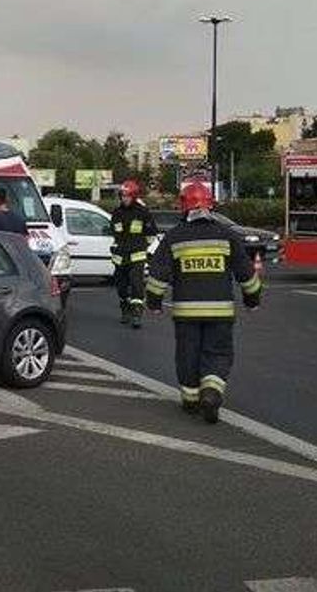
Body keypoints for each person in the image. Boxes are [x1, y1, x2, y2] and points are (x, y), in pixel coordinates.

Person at [145, 181, 263, 424]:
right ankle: (211, 392)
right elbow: (247, 274)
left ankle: (190, 400)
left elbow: (158, 274)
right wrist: (252, 300)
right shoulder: (227, 235)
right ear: (210, 205)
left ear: (184, 206)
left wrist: (154, 303)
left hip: (186, 313)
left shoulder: (174, 236)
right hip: (220, 312)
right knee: (218, 353)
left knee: (187, 354)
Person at [110, 179, 159, 329]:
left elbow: (151, 233)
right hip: (120, 256)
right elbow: (114, 232)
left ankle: (137, 313)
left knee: (137, 284)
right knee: (122, 287)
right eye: (122, 196)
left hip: (137, 255)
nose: (124, 198)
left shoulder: (143, 213)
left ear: (134, 196)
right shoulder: (117, 213)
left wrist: (143, 247)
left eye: (127, 196)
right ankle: (125, 308)